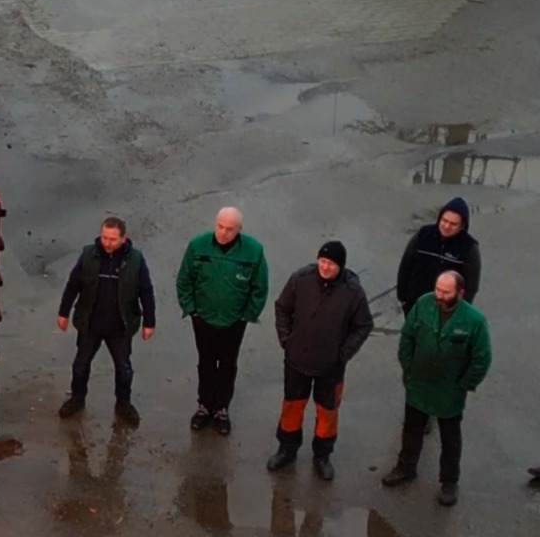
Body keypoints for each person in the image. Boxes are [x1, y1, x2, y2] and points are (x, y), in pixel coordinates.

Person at [381, 269, 491, 507]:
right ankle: (405, 467)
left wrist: (463, 385)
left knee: (450, 439)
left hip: (449, 392)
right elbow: (407, 338)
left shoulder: (474, 321)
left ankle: (449, 482)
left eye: (445, 292)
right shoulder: (423, 304)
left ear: (460, 293)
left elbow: (481, 359)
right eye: (437, 289)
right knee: (411, 430)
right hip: (418, 385)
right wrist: (408, 369)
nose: (439, 296)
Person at [269, 240, 373, 481]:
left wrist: (343, 354)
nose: (325, 267)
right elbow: (282, 308)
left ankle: (322, 455)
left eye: (331, 264)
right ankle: (287, 448)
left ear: (341, 267)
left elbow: (363, 325)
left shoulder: (353, 292)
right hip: (297, 360)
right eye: (323, 261)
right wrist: (287, 340)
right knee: (292, 406)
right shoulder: (300, 279)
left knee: (327, 412)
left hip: (331, 367)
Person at [175, 204, 269, 434]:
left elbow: (260, 287)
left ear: (239, 230)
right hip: (203, 318)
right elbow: (184, 280)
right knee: (206, 362)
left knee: (227, 364)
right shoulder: (198, 246)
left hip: (233, 321)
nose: (223, 232)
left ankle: (221, 409)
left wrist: (247, 315)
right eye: (220, 226)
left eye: (230, 229)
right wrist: (192, 310)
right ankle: (204, 406)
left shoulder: (253, 251)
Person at [57, 214, 156, 426]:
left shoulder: (136, 260)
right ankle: (77, 398)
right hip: (90, 323)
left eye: (112, 239)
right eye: (104, 238)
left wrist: (150, 322)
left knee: (124, 368)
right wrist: (63, 312)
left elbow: (146, 291)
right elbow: (73, 284)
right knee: (80, 365)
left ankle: (123, 404)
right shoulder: (88, 256)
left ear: (123, 238)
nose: (107, 243)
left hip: (120, 326)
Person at [395, 197, 480, 314]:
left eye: (453, 224)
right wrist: (403, 298)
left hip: (446, 310)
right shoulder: (422, 236)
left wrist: (460, 311)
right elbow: (405, 266)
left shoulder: (469, 249)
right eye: (444, 221)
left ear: (462, 226)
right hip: (415, 305)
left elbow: (471, 286)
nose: (446, 226)